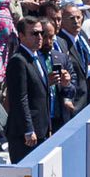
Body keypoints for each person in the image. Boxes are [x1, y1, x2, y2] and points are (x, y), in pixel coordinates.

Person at [6, 15, 54, 160]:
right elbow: (20, 98)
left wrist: (48, 127)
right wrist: (28, 130)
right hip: (25, 136)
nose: (39, 37)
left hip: (41, 130)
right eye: (34, 33)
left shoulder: (37, 57)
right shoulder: (18, 61)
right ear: (21, 36)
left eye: (41, 33)